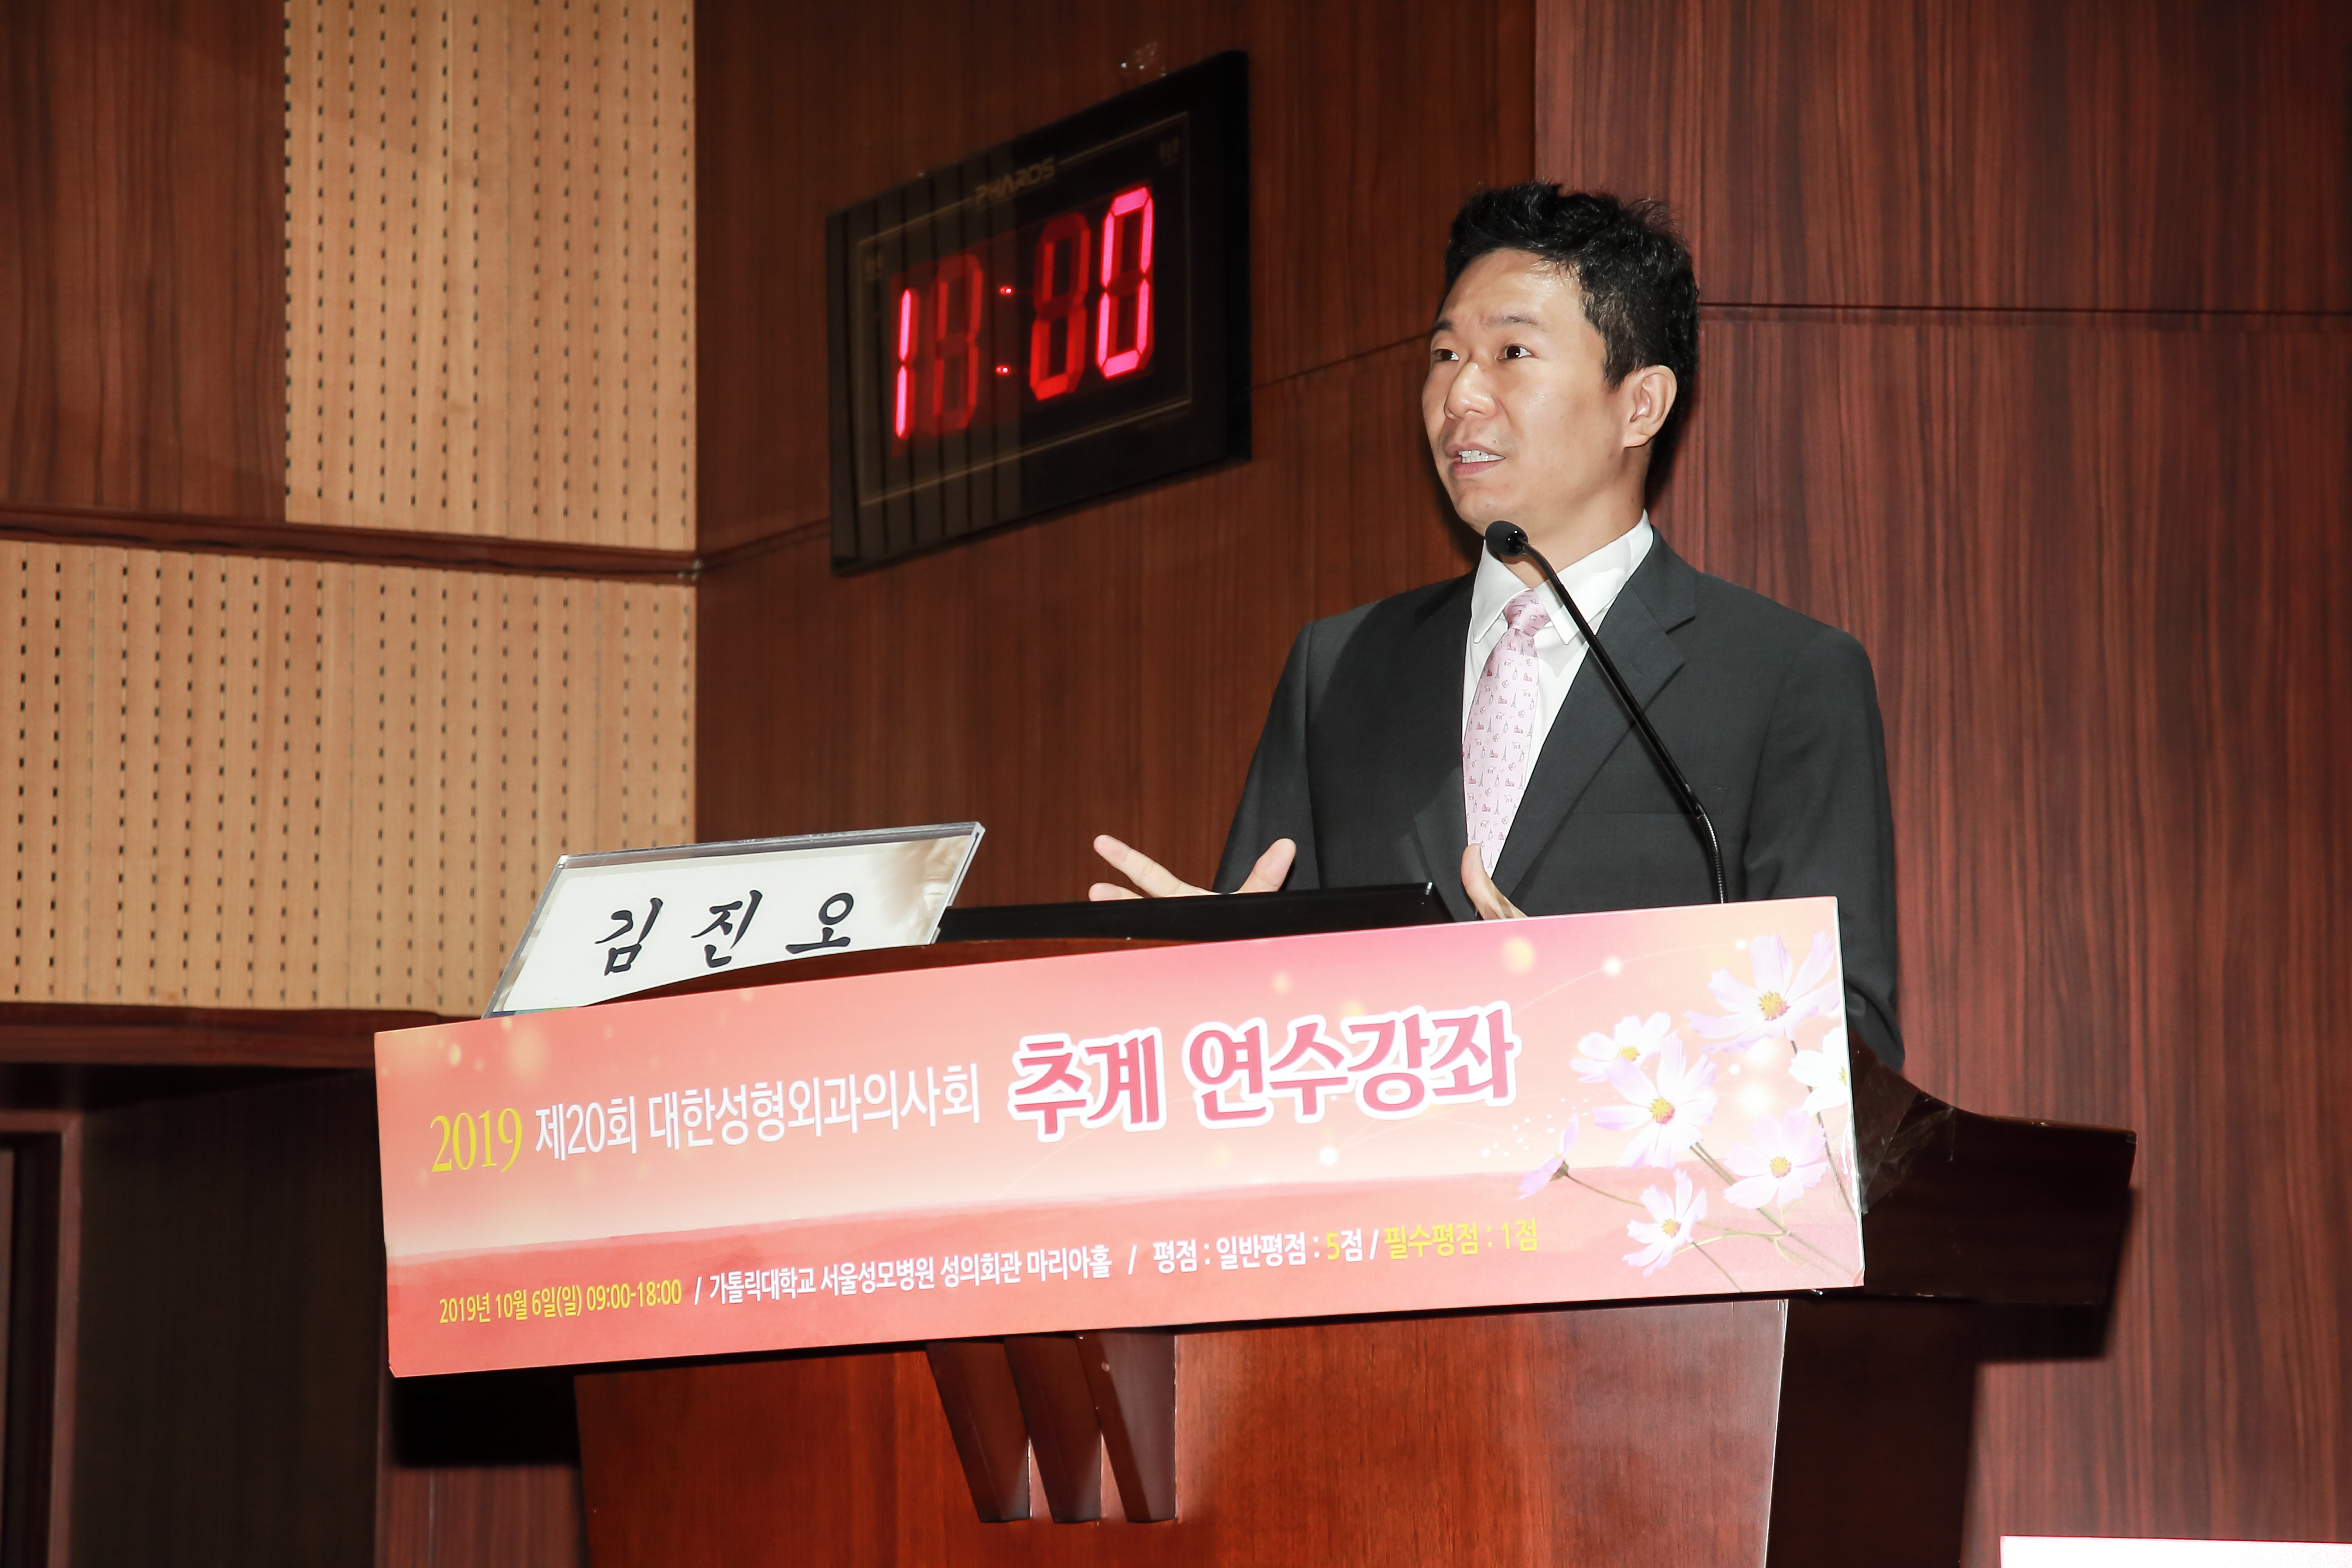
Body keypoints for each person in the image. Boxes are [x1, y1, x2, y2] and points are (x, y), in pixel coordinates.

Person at [1090, 184, 1904, 1067]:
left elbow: (1845, 1040)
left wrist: (1572, 1012)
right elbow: (1263, 1001)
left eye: (1512, 352)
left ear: (1640, 404)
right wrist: (1211, 987)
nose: (1461, 395)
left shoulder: (1782, 676)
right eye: (1445, 354)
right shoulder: (1342, 666)